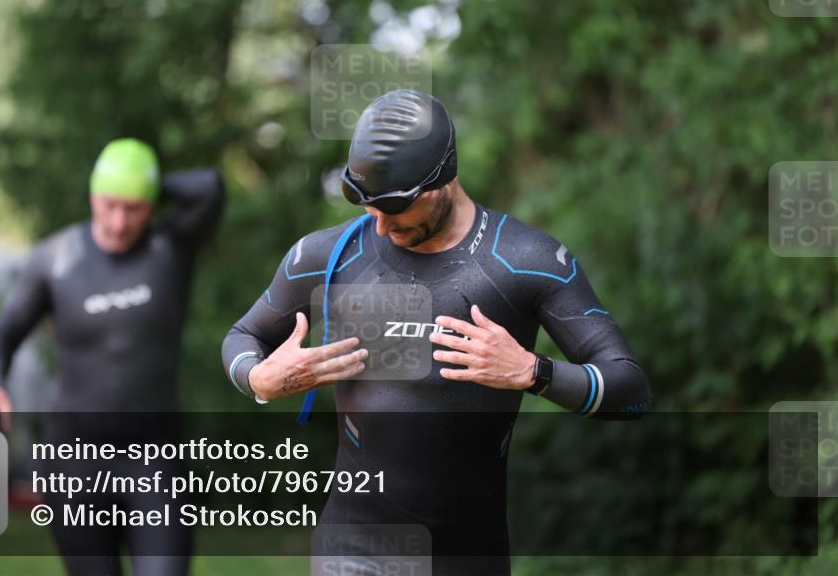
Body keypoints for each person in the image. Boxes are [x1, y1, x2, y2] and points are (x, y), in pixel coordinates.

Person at [221, 89, 651, 575]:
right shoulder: (327, 257)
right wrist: (258, 379)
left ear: (441, 181)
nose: (379, 228)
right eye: (368, 207)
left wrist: (534, 372)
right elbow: (243, 336)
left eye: (394, 208)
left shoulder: (526, 261)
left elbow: (631, 390)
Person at [0, 138, 224, 576]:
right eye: (109, 203)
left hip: (155, 460)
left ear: (151, 205)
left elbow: (212, 187)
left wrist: (143, 179)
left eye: (134, 207)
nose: (120, 221)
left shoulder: (171, 246)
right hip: (73, 462)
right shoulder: (54, 259)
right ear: (92, 194)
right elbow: (2, 335)